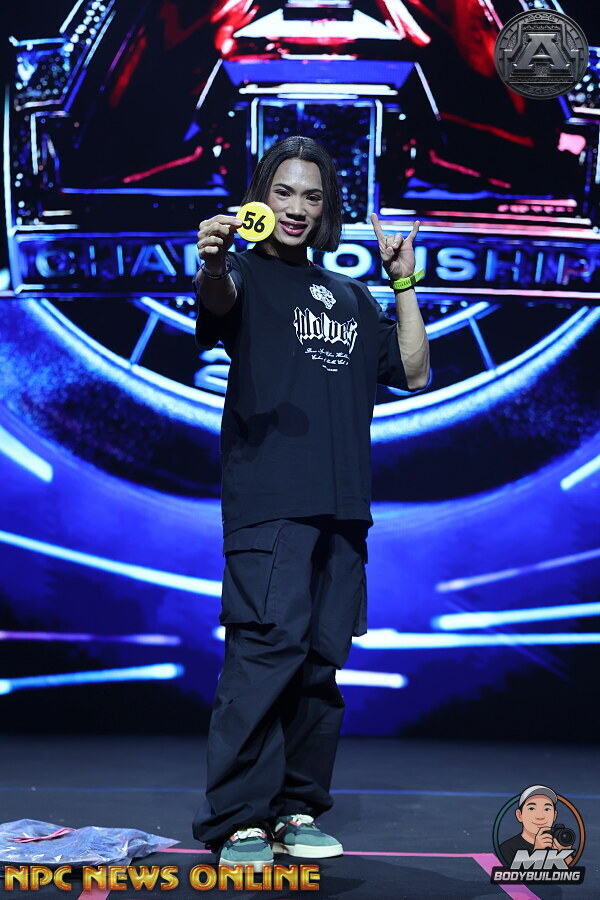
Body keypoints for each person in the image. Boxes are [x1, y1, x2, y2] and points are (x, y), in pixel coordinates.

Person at [191, 135, 430, 871]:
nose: (297, 208)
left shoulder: (351, 296)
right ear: (261, 199)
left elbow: (415, 372)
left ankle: (295, 809)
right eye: (285, 192)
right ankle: (240, 820)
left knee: (321, 666)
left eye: (313, 196)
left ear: (328, 210)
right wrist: (211, 261)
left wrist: (402, 281)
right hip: (270, 505)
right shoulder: (242, 275)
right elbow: (218, 301)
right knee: (263, 658)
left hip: (344, 509)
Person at [500, 785, 574, 867]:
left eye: (547, 809)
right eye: (532, 809)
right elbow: (512, 874)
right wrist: (537, 852)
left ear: (554, 816)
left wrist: (565, 854)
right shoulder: (507, 849)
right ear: (519, 815)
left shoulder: (558, 844)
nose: (540, 816)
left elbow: (572, 873)